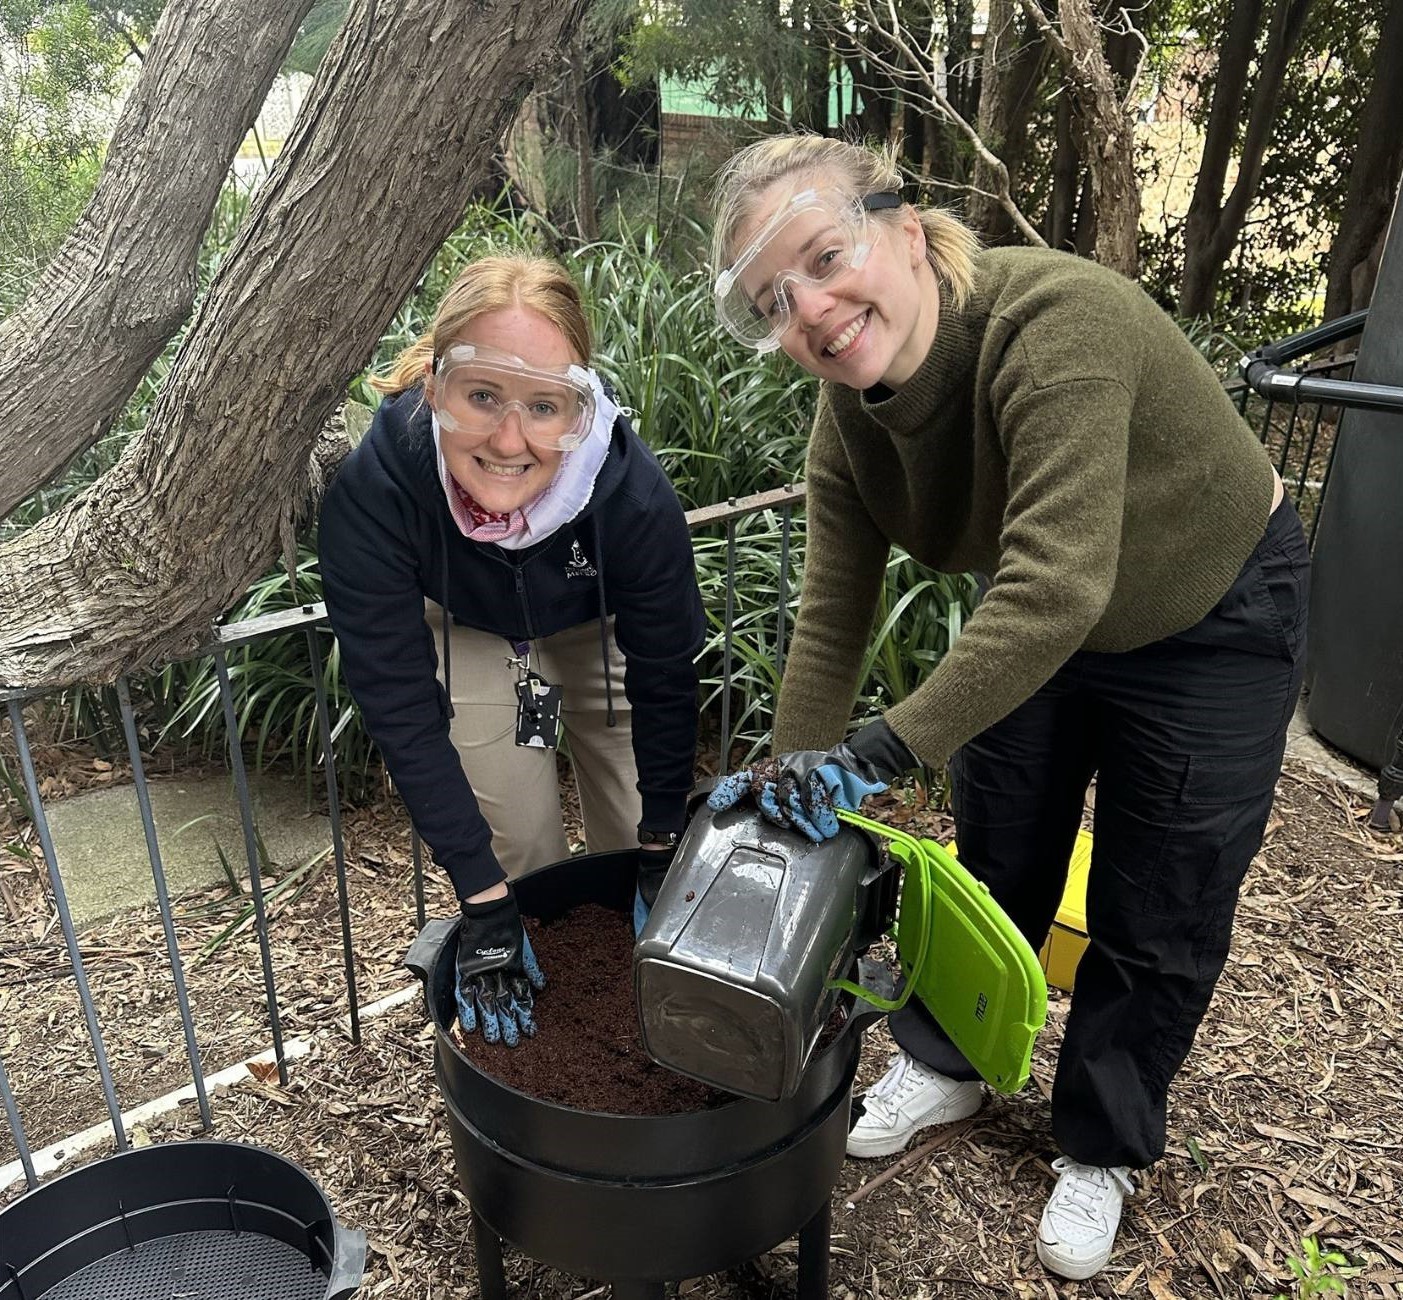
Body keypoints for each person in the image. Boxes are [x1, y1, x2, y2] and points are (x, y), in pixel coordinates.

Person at [705, 135, 1308, 1281]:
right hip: (1045, 608)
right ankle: (948, 1058)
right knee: (997, 845)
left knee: (1160, 889)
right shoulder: (849, 425)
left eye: (825, 257)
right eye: (773, 301)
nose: (815, 311)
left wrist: (878, 751)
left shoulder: (1055, 326)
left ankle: (1102, 1140)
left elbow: (1054, 585)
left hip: (1207, 608)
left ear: (902, 223)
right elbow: (832, 621)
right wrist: (790, 782)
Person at [320, 254, 703, 1049]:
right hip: (469, 624)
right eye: (482, 395)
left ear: (581, 408)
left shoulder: (630, 493)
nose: (508, 438)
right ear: (434, 386)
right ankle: (558, 1028)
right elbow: (399, 706)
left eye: (543, 405)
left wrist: (664, 838)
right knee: (517, 851)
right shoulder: (378, 490)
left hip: (597, 620)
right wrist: (482, 901)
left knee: (640, 830)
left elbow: (665, 674)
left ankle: (653, 1004)